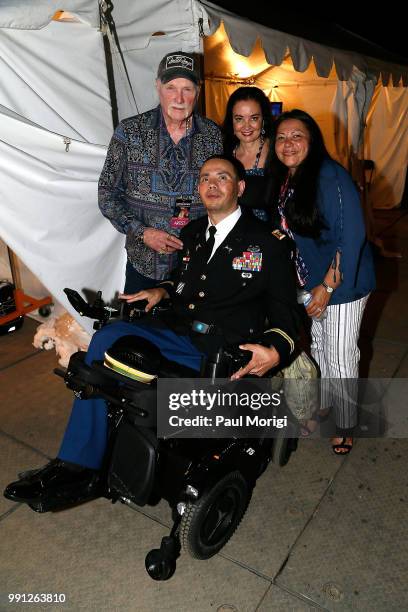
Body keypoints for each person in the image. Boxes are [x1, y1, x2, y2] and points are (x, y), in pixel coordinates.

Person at [4, 155, 299, 511]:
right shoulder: (192, 233)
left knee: (110, 354)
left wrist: (275, 351)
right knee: (103, 345)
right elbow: (187, 283)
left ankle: (85, 465)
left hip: (219, 350)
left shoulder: (267, 242)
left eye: (222, 177)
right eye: (205, 177)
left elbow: (289, 314)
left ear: (240, 187)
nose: (212, 184)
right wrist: (162, 290)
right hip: (176, 331)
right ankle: (79, 466)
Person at [269, 109, 376, 454]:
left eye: (297, 136)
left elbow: (352, 235)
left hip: (343, 282)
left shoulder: (331, 175)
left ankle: (345, 423)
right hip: (313, 280)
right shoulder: (291, 178)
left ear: (312, 141)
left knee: (342, 354)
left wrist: (328, 286)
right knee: (321, 348)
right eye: (282, 137)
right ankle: (328, 403)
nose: (288, 144)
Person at [98, 51, 223, 293]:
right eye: (171, 87)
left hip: (197, 263)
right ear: (158, 87)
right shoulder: (129, 132)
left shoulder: (212, 136)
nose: (179, 97)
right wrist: (142, 232)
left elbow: (221, 194)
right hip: (144, 264)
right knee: (138, 330)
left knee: (190, 330)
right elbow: (106, 194)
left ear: (198, 90)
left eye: (187, 88)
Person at [222, 86, 275, 222]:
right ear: (231, 121)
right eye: (239, 119)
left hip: (269, 235)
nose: (246, 126)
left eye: (254, 118)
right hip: (233, 236)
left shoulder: (278, 152)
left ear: (263, 120)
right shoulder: (224, 153)